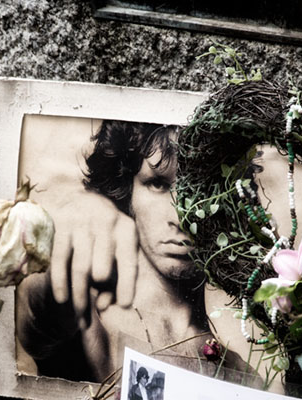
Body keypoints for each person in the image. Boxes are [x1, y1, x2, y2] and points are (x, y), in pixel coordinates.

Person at [16, 120, 213, 382]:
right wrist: (60, 239)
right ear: (127, 189)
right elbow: (36, 318)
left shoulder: (233, 329)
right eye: (157, 184)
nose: (179, 218)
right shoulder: (95, 309)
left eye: (199, 189)